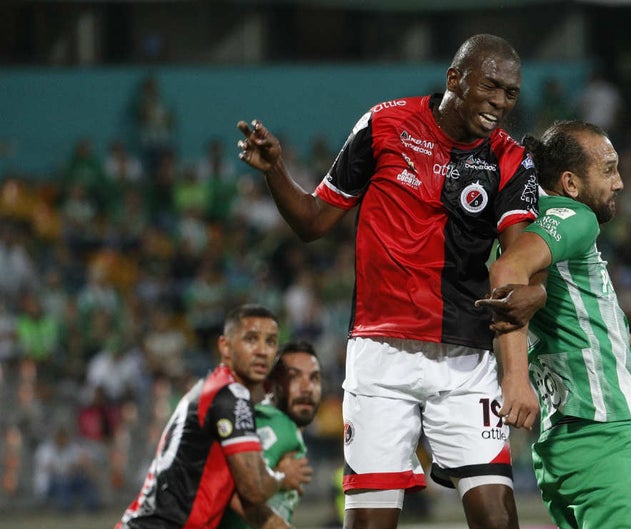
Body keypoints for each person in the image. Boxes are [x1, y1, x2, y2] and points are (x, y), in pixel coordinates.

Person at [236, 33, 541, 529]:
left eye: (510, 93)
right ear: (455, 78)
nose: (500, 102)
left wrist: (517, 367)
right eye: (490, 86)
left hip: (466, 360)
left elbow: (520, 264)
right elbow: (313, 220)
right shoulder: (384, 125)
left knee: (497, 519)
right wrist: (275, 171)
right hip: (380, 357)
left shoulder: (510, 159)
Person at [476, 120, 631, 529]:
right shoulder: (576, 217)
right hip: (606, 439)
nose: (619, 182)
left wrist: (613, 336)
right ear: (570, 183)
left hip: (562, 446)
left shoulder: (518, 228)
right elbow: (508, 273)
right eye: (608, 170)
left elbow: (541, 301)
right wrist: (515, 380)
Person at [116, 304, 312, 529]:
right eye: (251, 339)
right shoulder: (231, 395)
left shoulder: (213, 390)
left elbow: (244, 501)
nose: (262, 351)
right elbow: (255, 488)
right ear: (225, 347)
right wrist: (282, 476)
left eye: (270, 342)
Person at [220, 340, 323, 529]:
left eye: (314, 378)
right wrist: (279, 477)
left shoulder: (278, 426)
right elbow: (231, 488)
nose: (307, 388)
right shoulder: (277, 424)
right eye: (294, 377)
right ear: (270, 386)